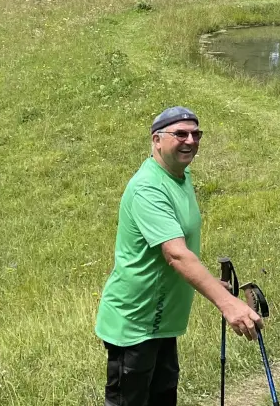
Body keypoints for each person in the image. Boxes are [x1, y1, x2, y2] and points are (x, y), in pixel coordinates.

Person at [96, 107, 264, 406]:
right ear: (156, 140)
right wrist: (227, 304)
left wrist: (211, 282)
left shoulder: (180, 176)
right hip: (136, 323)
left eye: (196, 134)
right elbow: (175, 254)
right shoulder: (148, 187)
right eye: (181, 134)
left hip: (162, 320)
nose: (190, 140)